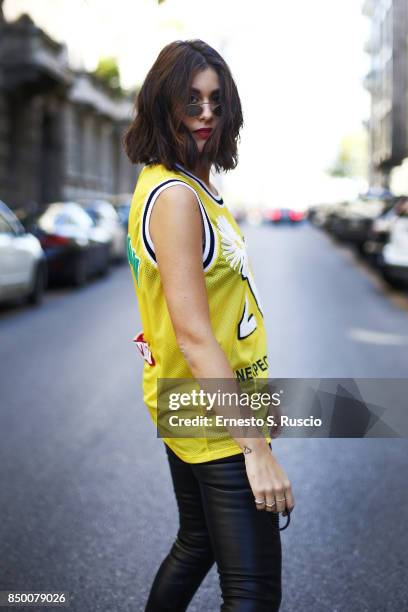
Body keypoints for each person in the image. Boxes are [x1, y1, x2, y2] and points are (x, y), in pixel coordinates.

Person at [124, 39, 295, 612]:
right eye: (191, 100)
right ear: (162, 104)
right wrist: (256, 451)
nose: (205, 115)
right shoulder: (175, 197)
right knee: (252, 594)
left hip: (198, 402)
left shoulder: (178, 183)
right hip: (215, 415)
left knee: (197, 543)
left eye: (217, 102)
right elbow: (195, 336)